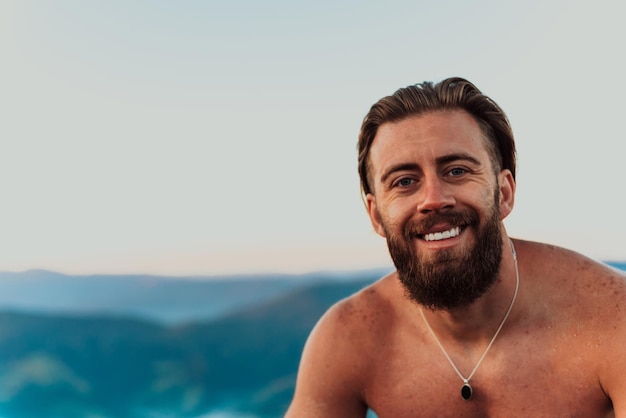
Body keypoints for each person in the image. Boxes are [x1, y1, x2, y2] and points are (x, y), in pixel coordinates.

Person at [285, 77, 626, 417]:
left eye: (457, 170)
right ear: (376, 215)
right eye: (405, 182)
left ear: (504, 193)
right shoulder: (349, 336)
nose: (433, 199)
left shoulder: (611, 315)